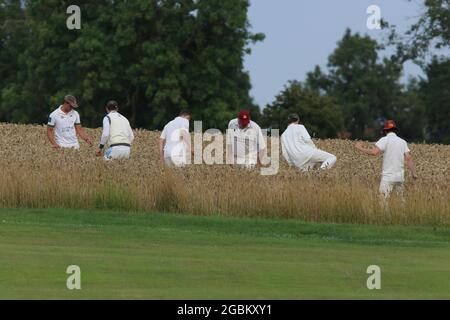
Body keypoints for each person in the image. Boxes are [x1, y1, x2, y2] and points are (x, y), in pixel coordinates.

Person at [355, 120, 418, 199]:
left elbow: (374, 152)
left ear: (385, 130)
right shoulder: (402, 142)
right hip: (400, 178)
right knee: (400, 204)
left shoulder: (384, 140)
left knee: (383, 203)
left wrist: (360, 148)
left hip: (388, 177)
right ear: (395, 130)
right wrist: (414, 173)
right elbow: (408, 158)